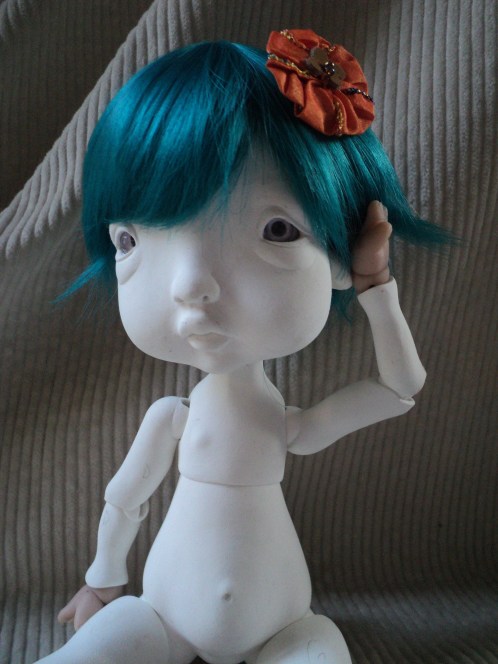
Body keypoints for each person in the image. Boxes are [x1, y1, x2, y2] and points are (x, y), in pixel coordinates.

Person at [37, 30, 449, 664]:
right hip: (159, 617)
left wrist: (376, 287)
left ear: (338, 257)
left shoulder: (284, 427)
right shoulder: (174, 418)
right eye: (131, 241)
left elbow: (400, 387)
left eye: (276, 229)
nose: (189, 285)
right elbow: (125, 497)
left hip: (284, 627)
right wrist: (103, 580)